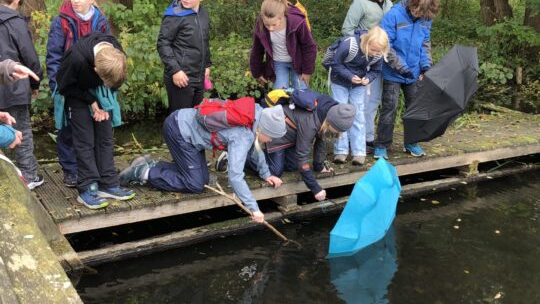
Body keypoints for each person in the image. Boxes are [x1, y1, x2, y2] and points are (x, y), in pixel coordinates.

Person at [119, 105, 286, 223]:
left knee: (202, 179)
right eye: (270, 136)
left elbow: (256, 148)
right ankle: (143, 173)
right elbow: (235, 177)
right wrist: (254, 208)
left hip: (188, 129)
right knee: (195, 184)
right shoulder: (243, 136)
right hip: (179, 130)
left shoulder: (257, 113)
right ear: (262, 130)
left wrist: (266, 174)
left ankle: (152, 164)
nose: (270, 140)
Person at [56, 32, 135, 210]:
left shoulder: (116, 53)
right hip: (76, 94)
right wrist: (90, 101)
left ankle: (108, 182)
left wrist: (101, 104)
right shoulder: (76, 58)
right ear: (95, 70)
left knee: (105, 138)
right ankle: (87, 186)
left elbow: (115, 82)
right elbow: (64, 86)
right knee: (85, 141)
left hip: (100, 95)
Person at [46, 0, 110, 187]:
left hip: (93, 80)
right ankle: (71, 170)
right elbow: (54, 55)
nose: (75, 0)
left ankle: (94, 169)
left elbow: (106, 51)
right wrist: (57, 84)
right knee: (67, 127)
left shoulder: (100, 21)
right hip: (68, 81)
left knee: (94, 126)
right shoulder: (61, 21)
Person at [374, 0, 439, 159]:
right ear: (413, 2)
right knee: (390, 108)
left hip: (415, 72)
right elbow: (385, 46)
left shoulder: (426, 18)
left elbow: (425, 43)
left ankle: (411, 143)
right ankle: (382, 145)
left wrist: (426, 67)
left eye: (424, 14)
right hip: (393, 72)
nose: (420, 16)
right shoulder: (393, 15)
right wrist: (402, 68)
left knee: (415, 108)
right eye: (418, 12)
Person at [341, 0, 396, 153]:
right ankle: (353, 138)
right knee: (360, 100)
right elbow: (347, 30)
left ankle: (368, 136)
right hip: (361, 60)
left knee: (374, 100)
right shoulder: (360, 2)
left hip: (380, 60)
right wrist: (364, 43)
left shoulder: (390, 5)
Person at [0, 0, 44, 189]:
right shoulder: (16, 22)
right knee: (22, 131)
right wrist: (36, 83)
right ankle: (29, 175)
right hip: (15, 86)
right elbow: (30, 57)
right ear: (17, 0)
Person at [265, 99, 356, 200]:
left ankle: (280, 155)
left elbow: (321, 141)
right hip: (277, 131)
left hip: (293, 135)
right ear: (331, 123)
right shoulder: (311, 123)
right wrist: (315, 188)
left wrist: (319, 167)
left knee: (293, 166)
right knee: (276, 171)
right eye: (338, 130)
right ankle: (251, 158)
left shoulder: (327, 113)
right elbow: (302, 157)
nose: (339, 133)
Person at [329, 27, 389, 166]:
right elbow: (335, 64)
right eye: (373, 50)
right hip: (339, 82)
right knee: (340, 113)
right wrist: (350, 76)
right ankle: (341, 150)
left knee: (358, 116)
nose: (375, 54)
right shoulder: (349, 44)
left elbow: (375, 70)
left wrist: (368, 79)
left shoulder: (378, 54)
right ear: (366, 42)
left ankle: (359, 152)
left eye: (378, 51)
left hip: (358, 85)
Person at [157, 0, 211, 112]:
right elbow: (163, 44)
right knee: (180, 121)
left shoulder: (203, 14)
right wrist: (175, 70)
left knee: (196, 118)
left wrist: (207, 65)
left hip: (198, 76)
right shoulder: (174, 15)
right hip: (181, 77)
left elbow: (205, 41)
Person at [249, 0, 317, 90]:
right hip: (278, 62)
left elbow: (309, 47)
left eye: (274, 24)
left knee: (301, 92)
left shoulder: (297, 22)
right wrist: (257, 73)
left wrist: (307, 72)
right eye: (267, 25)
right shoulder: (260, 24)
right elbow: (257, 50)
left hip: (298, 62)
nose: (270, 28)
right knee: (279, 94)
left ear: (281, 17)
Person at [0, 59, 40, 150]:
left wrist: (9, 68)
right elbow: (29, 55)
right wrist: (5, 136)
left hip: (17, 93)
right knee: (23, 139)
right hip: (16, 95)